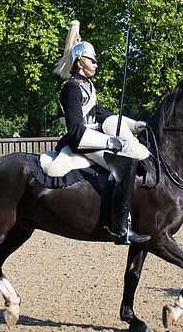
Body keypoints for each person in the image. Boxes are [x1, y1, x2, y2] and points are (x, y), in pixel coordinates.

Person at [50, 20, 151, 245]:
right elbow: (76, 130)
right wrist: (110, 142)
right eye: (92, 60)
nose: (96, 64)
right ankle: (120, 228)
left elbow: (98, 113)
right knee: (125, 166)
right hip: (81, 142)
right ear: (79, 62)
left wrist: (134, 124)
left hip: (93, 139)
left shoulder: (88, 86)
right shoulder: (71, 88)